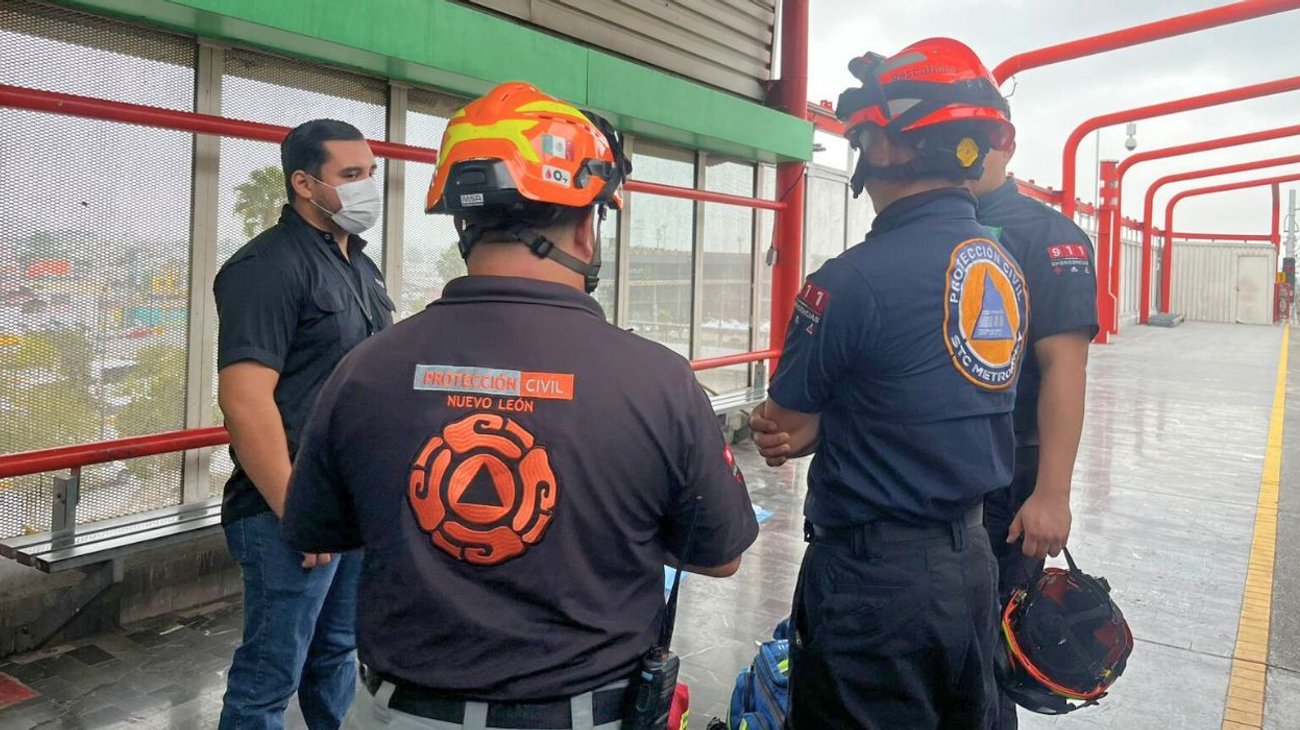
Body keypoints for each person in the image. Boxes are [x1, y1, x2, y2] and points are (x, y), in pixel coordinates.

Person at [281, 81, 759, 730]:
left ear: (461, 223)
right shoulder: (659, 383)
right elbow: (719, 554)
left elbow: (317, 528)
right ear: (587, 228)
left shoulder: (365, 370)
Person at [750, 38, 1027, 728]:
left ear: (884, 149)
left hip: (874, 583)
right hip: (971, 567)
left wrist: (827, 419)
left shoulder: (848, 284)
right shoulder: (1004, 270)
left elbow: (783, 422)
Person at [214, 118, 393, 729]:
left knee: (337, 656)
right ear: (304, 183)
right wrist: (299, 512)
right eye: (351, 176)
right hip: (285, 515)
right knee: (269, 679)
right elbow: (245, 400)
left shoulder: (361, 267)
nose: (367, 186)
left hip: (349, 507)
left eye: (371, 173)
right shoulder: (266, 266)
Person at [968, 99, 1098, 730]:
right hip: (923, 475)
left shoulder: (1049, 238)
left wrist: (1052, 494)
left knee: (990, 646)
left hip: (1006, 477)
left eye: (973, 140)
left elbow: (1065, 369)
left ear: (1006, 143)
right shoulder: (919, 225)